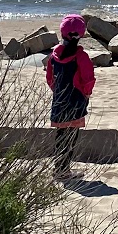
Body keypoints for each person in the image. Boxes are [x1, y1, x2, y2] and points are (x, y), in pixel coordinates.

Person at [43, 14, 96, 178]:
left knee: (60, 136)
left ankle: (59, 168)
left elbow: (49, 79)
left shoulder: (54, 56)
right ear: (81, 35)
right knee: (71, 137)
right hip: (76, 100)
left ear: (62, 34)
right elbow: (88, 79)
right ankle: (64, 171)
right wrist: (86, 94)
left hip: (59, 101)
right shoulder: (82, 57)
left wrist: (57, 91)